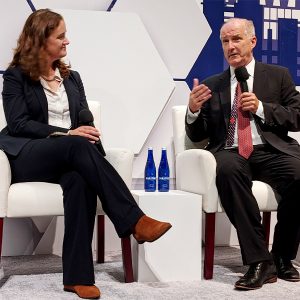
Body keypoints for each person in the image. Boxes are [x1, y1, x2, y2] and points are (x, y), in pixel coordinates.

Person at [0, 9, 172, 299]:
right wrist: (68, 134)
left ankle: (78, 278)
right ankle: (134, 221)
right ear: (41, 40)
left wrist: (86, 130)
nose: (67, 42)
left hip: (69, 155)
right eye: (61, 36)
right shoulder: (16, 76)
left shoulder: (71, 77)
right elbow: (18, 123)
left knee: (80, 180)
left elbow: (81, 117)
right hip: (29, 155)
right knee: (77, 145)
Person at [186, 18, 300, 290]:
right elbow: (198, 135)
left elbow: (297, 118)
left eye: (236, 39)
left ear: (253, 41)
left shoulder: (278, 75)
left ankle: (282, 256)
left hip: (271, 149)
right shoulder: (212, 84)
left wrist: (262, 107)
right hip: (230, 149)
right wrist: (192, 110)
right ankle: (259, 261)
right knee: (226, 171)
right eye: (225, 41)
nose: (230, 46)